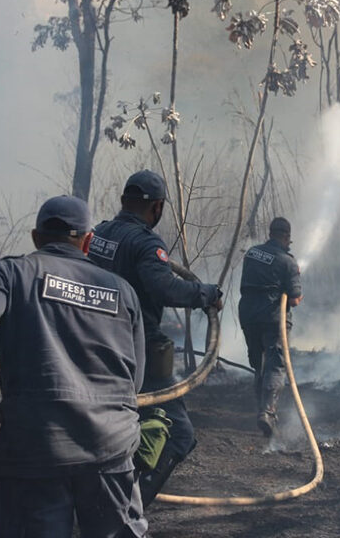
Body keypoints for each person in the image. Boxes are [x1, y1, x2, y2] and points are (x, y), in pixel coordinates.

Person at [0, 195, 149, 537]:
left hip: (35, 451)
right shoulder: (122, 291)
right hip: (111, 449)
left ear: (35, 237)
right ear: (87, 242)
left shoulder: (11, 273)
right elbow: (136, 380)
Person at [88, 170, 223, 505]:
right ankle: (124, 510)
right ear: (158, 208)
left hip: (93, 347)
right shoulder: (146, 243)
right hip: (137, 353)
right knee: (179, 434)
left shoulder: (100, 233)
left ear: (123, 201)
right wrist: (204, 293)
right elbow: (164, 287)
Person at [238, 217, 303, 437]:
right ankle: (267, 413)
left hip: (247, 315)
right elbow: (294, 299)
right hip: (272, 318)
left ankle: (260, 408)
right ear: (285, 237)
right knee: (276, 365)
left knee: (259, 364)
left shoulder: (252, 253)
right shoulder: (288, 262)